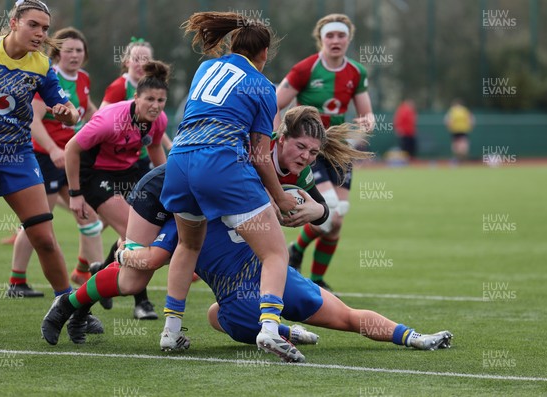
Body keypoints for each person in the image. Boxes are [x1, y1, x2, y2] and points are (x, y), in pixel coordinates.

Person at [40, 107, 375, 357]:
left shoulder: (294, 167)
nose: (306, 157)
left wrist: (317, 209)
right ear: (280, 138)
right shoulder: (256, 151)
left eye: (313, 153)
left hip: (198, 198)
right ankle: (68, 303)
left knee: (134, 279)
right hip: (165, 189)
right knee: (139, 272)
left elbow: (320, 210)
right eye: (302, 148)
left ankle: (89, 300)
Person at [41, 202, 453, 358]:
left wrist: (124, 251)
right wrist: (128, 250)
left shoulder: (214, 202)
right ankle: (414, 337)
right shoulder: (221, 203)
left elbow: (152, 260)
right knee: (345, 317)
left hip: (255, 294)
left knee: (219, 315)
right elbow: (156, 258)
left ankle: (413, 337)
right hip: (269, 285)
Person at [157, 11, 301, 361]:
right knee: (275, 252)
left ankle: (170, 331)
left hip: (178, 160)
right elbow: (259, 154)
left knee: (188, 246)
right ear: (264, 53)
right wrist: (280, 197)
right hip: (219, 163)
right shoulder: (264, 87)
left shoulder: (205, 68)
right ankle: (268, 329)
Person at [0, 0, 78, 340]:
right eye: (34, 25)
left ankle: (66, 309)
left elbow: (66, 106)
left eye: (45, 28)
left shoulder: (41, 65)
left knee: (42, 236)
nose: (41, 34)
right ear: (13, 22)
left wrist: (67, 113)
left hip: (17, 156)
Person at [274, 14, 375, 291]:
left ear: (348, 39)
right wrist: (275, 138)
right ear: (321, 39)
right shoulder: (305, 69)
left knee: (338, 219)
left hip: (338, 150)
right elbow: (274, 104)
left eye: (341, 35)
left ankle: (314, 276)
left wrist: (367, 121)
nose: (335, 40)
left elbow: (366, 113)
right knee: (329, 209)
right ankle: (298, 255)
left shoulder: (356, 72)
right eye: (330, 35)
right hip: (311, 149)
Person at [64, 60, 168, 320]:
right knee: (134, 234)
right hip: (95, 173)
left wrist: (170, 187)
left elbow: (155, 149)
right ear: (136, 98)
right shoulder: (109, 120)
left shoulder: (159, 120)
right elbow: (71, 149)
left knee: (148, 230)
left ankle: (101, 271)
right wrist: (75, 194)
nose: (155, 106)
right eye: (149, 99)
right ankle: (141, 303)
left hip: (129, 170)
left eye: (161, 100)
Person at [6, 27, 103, 298]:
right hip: (46, 158)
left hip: (70, 159)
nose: (74, 55)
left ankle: (91, 281)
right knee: (37, 221)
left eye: (79, 50)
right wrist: (52, 150)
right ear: (57, 53)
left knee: (89, 217)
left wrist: (109, 121)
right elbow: (34, 119)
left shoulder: (83, 79)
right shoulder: (48, 76)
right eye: (68, 50)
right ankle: (17, 282)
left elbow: (89, 111)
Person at [100, 37, 173, 170]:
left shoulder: (152, 88)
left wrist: (168, 144)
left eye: (146, 60)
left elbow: (156, 122)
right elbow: (101, 117)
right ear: (127, 62)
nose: (141, 64)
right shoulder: (120, 86)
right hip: (120, 154)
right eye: (136, 59)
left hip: (142, 153)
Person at [444, 99, 474, 164]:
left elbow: (448, 121)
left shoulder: (453, 110)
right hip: (461, 130)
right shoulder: (464, 110)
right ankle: (460, 159)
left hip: (458, 130)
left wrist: (449, 126)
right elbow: (470, 120)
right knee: (460, 146)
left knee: (458, 146)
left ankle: (460, 159)